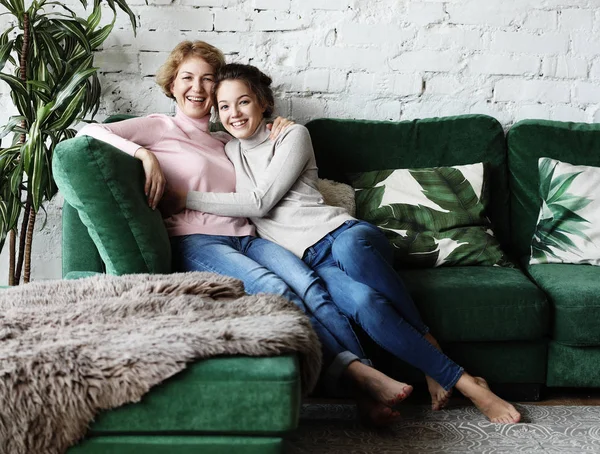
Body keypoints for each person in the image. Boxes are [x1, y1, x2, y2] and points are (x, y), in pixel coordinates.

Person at [76, 40, 415, 426]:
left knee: (310, 285)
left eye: (207, 80)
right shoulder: (159, 127)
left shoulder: (228, 141)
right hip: (196, 241)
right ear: (171, 85)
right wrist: (143, 154)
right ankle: (360, 378)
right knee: (277, 289)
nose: (197, 88)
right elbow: (86, 130)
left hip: (249, 237)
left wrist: (278, 127)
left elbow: (263, 174)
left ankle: (366, 388)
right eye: (187, 78)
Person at [181, 63, 522, 424]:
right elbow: (190, 144)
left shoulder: (292, 135)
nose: (234, 113)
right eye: (224, 106)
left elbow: (260, 201)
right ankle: (457, 376)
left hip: (344, 236)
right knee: (366, 303)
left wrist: (183, 197)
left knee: (349, 249)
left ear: (263, 102)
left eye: (244, 101)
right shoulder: (228, 151)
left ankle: (462, 379)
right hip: (312, 263)